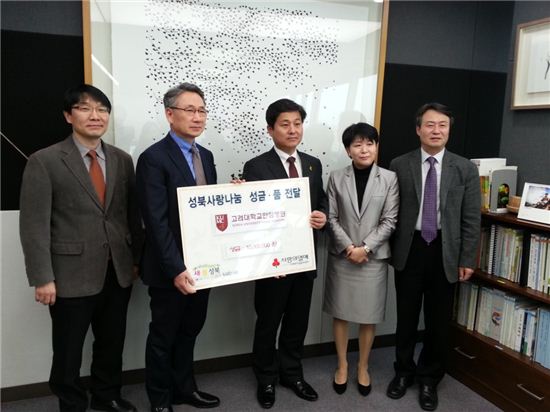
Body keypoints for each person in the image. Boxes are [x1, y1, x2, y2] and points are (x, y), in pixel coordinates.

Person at [19, 84, 143, 412]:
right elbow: (33, 225)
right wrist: (42, 277)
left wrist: (135, 260)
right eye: (85, 108)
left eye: (102, 109)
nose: (95, 115)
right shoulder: (44, 161)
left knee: (111, 341)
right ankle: (72, 404)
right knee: (68, 350)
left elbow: (130, 215)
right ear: (68, 115)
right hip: (69, 275)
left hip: (117, 269)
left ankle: (107, 395)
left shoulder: (122, 160)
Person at [386, 103, 481, 411]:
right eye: (430, 124)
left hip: (446, 250)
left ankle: (429, 378)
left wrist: (467, 258)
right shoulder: (399, 164)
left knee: (438, 321)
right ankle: (403, 372)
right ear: (418, 129)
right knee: (406, 316)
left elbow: (471, 218)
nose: (436, 130)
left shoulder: (465, 168)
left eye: (442, 125)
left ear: (449, 130)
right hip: (410, 248)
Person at [136, 83, 220, 412]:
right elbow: (155, 222)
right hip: (170, 268)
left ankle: (185, 388)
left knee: (189, 331)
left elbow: (209, 210)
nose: (197, 117)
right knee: (163, 335)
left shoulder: (206, 156)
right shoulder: (153, 158)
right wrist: (176, 268)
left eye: (202, 111)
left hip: (203, 266)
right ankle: (159, 399)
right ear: (170, 114)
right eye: (190, 110)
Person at [242, 98, 328, 409]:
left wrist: (323, 216)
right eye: (285, 124)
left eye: (297, 124)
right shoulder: (256, 166)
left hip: (304, 258)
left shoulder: (312, 163)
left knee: (297, 321)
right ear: (270, 129)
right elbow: (252, 216)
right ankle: (266, 377)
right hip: (272, 262)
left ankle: (292, 373)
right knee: (268, 322)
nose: (293, 130)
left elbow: (321, 200)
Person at [323, 122, 399, 396]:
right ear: (348, 150)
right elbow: (330, 217)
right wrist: (348, 247)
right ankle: (342, 365)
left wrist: (364, 248)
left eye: (369, 143)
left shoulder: (389, 178)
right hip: (342, 257)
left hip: (373, 258)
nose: (364, 149)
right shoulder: (336, 177)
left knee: (369, 316)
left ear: (376, 147)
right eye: (357, 144)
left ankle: (363, 366)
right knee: (341, 313)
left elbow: (390, 220)